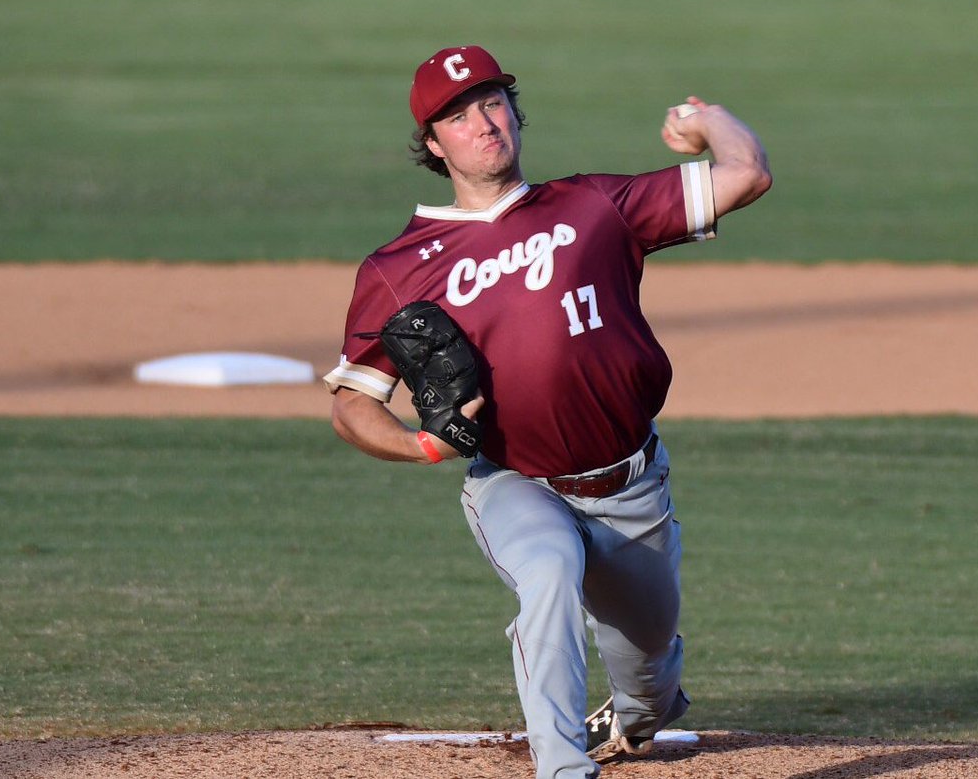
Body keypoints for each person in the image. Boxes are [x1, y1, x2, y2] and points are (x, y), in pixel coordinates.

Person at [324, 44, 772, 779]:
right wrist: (421, 447)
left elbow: (746, 173)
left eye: (492, 102)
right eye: (458, 116)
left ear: (514, 112)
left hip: (632, 490)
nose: (483, 122)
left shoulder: (593, 206)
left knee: (650, 671)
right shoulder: (397, 267)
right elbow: (350, 406)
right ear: (433, 145)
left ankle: (639, 709)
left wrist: (710, 118)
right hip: (517, 482)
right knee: (549, 571)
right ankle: (564, 768)